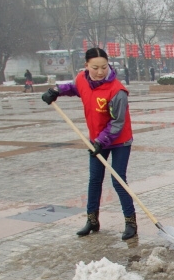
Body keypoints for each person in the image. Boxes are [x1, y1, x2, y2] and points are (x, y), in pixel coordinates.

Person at [40, 48, 137, 241]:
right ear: (86, 66)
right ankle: (92, 220)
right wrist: (55, 91)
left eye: (104, 67)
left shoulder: (117, 91)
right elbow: (73, 87)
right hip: (96, 140)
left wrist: (101, 141)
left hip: (119, 141)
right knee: (94, 180)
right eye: (95, 68)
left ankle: (130, 222)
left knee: (118, 181)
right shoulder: (82, 79)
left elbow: (118, 123)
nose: (100, 71)